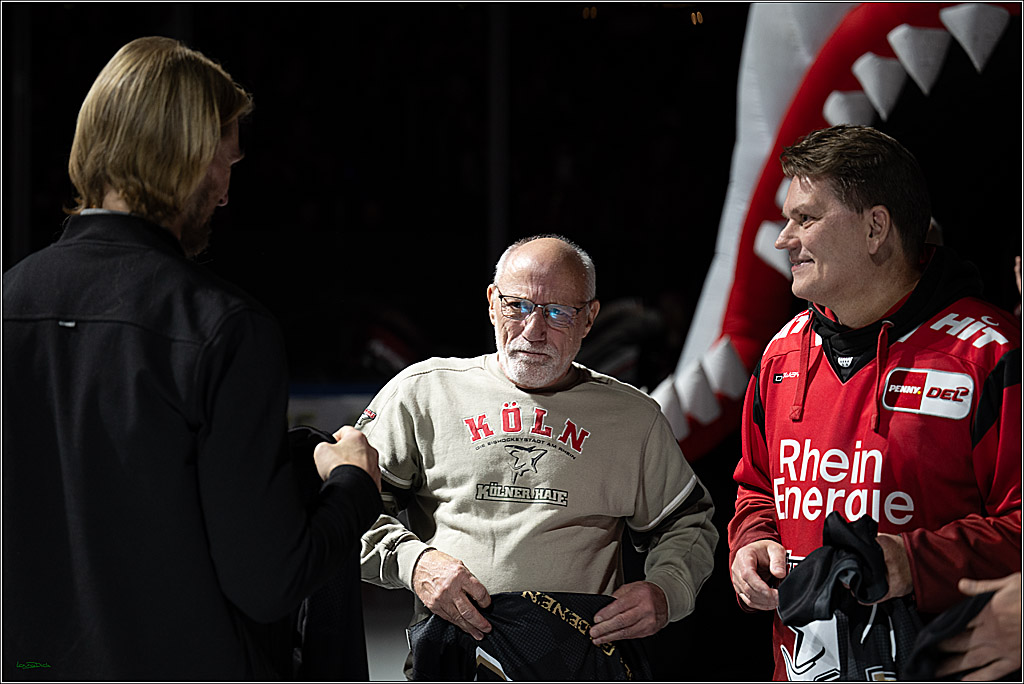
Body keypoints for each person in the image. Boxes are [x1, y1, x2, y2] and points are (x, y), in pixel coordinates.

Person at [2, 36, 382, 681]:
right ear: (181, 158)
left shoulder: (9, 302)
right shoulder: (223, 327)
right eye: (225, 163)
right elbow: (269, 580)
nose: (227, 191)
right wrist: (352, 485)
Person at [727, 124, 1021, 680]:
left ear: (875, 228)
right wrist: (753, 542)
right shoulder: (780, 354)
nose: (784, 239)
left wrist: (912, 563)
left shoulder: (992, 356)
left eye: (805, 219)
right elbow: (756, 488)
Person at [356, 234, 718, 676]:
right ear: (492, 302)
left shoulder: (632, 419)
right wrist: (415, 563)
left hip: (579, 661)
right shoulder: (424, 393)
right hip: (454, 659)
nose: (534, 329)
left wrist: (666, 590)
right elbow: (345, 509)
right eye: (518, 306)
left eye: (558, 312)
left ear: (589, 319)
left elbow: (689, 521)